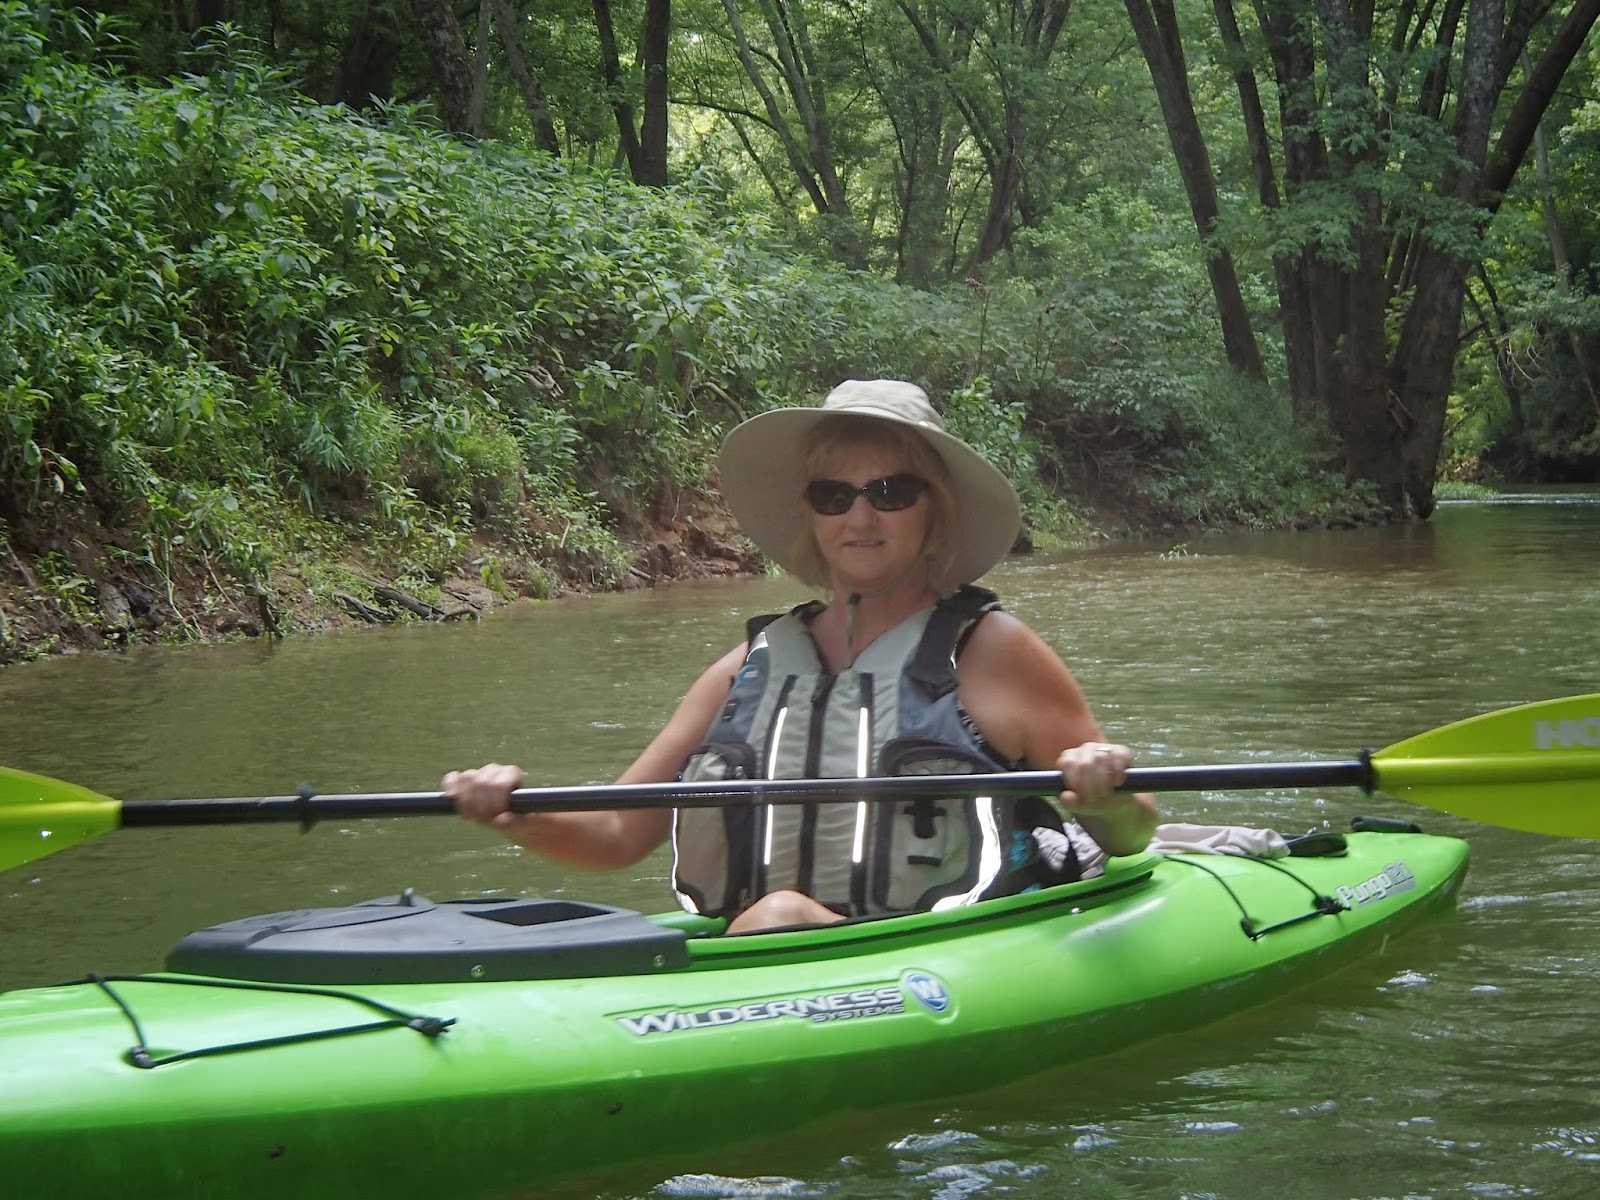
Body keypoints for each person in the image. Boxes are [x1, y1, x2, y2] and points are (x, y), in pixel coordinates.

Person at [445, 379, 1158, 934]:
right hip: (776, 950)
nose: (860, 517)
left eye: (891, 492)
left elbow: (1130, 831)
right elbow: (617, 833)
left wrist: (1103, 792)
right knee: (775, 917)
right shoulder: (750, 666)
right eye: (833, 495)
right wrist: (514, 811)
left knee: (779, 916)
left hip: (939, 958)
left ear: (933, 509)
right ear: (811, 515)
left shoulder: (995, 651)